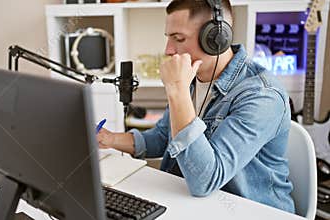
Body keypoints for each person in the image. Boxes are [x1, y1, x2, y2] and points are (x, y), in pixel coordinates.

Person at [97, 0, 295, 213]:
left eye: (178, 39)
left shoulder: (261, 96)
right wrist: (110, 139)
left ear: (216, 38)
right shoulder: (192, 78)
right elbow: (163, 138)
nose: (168, 50)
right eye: (168, 38)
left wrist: (177, 90)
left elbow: (206, 180)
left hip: (250, 211)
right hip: (193, 204)